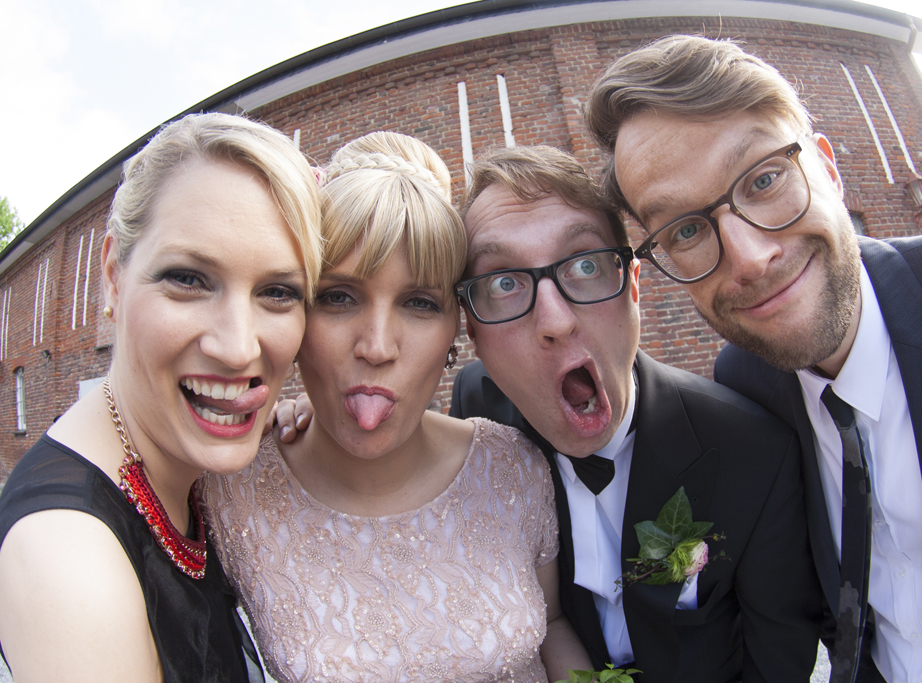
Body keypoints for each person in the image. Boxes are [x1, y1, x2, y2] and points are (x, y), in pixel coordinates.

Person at [586, 34, 922, 683]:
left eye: (763, 180)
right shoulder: (746, 385)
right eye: (686, 229)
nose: (749, 257)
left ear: (828, 169)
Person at [201, 131, 591, 683]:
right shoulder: (230, 492)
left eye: (419, 303)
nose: (378, 347)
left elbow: (551, 624)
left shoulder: (511, 467)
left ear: (456, 329)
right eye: (339, 297)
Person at [447, 145, 821, 681]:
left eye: (585, 265)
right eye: (504, 283)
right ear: (473, 330)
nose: (555, 321)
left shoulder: (756, 453)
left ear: (634, 286)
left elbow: (777, 666)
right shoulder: (478, 410)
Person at [0, 112, 322, 682]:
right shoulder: (69, 560)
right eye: (188, 279)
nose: (237, 347)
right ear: (113, 276)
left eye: (278, 292)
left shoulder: (184, 467)